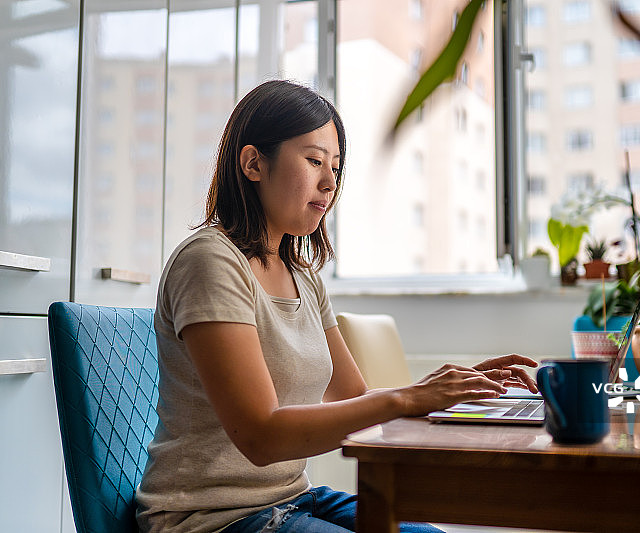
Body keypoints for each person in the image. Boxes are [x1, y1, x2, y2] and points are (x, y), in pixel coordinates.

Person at [135, 79, 538, 533]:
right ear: (253, 163)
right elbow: (260, 437)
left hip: (289, 497)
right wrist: (408, 397)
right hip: (210, 518)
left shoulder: (303, 274)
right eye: (313, 161)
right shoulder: (211, 262)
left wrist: (447, 393)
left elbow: (354, 399)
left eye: (336, 166)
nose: (330, 182)